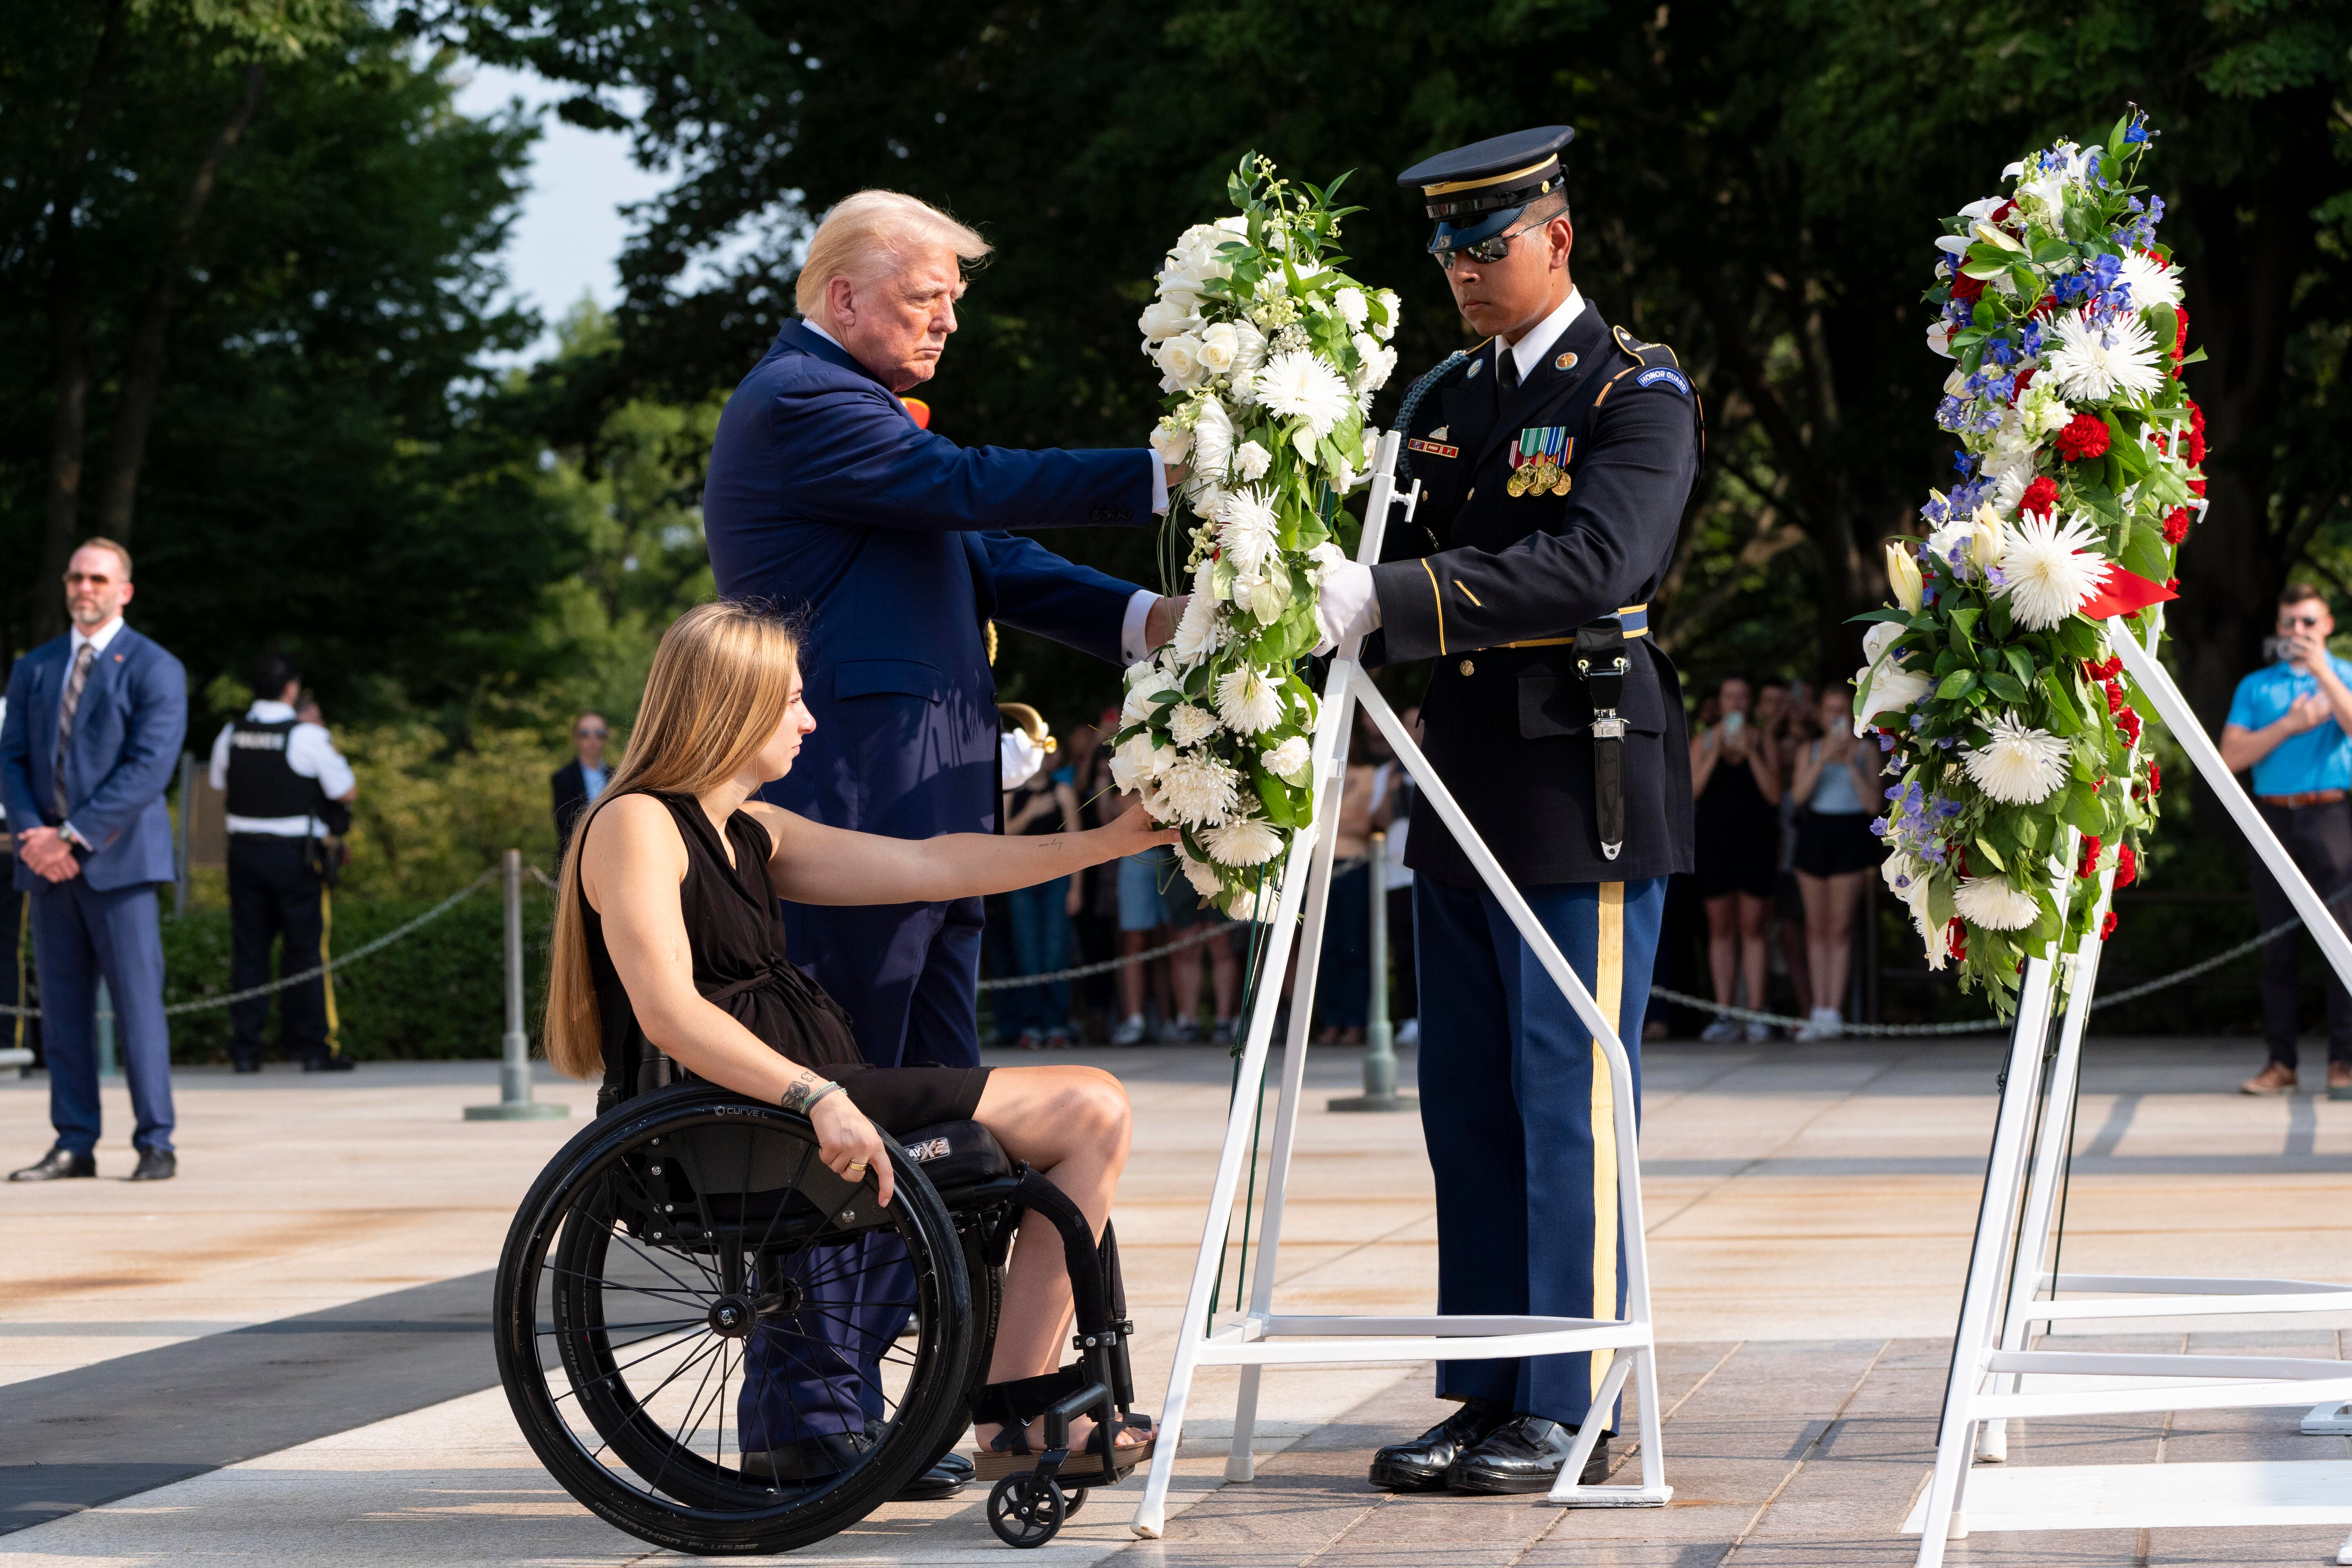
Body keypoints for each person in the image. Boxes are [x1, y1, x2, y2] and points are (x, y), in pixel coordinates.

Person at [546, 601, 1167, 1479]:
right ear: (734, 702)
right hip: (734, 1119)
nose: (808, 717)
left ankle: (1015, 1409)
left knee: (1089, 1112)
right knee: (1090, 1107)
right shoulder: (637, 822)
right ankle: (1014, 1416)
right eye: (792, 699)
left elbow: (935, 865)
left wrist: (1106, 843)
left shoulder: (752, 828)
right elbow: (668, 1011)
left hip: (798, 1096)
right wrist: (815, 1094)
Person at [1315, 126, 1700, 1494]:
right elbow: (1375, 554)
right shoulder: (1444, 397)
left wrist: (1401, 603)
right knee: (1466, 1104)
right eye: (1446, 252)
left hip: (1575, 780)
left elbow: (1602, 558)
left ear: (1558, 238)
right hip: (1460, 780)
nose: (1464, 274)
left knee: (1565, 1095)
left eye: (1487, 247)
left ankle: (1573, 1399)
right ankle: (1489, 1394)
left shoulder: (1632, 391)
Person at [703, 188, 1184, 1073]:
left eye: (954, 299)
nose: (950, 321)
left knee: (935, 1080)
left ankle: (925, 1218)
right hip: (860, 787)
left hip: (918, 787)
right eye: (929, 296)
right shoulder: (802, 399)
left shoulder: (851, 406)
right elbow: (970, 486)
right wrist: (1167, 472)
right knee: (866, 1068)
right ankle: (868, 1222)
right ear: (844, 298)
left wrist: (1148, 619)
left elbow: (985, 557)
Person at [0, 539, 187, 1182]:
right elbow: (12, 758)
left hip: (120, 866)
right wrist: (33, 834)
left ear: (124, 590)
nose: (86, 587)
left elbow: (148, 769)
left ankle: (155, 1141)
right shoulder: (36, 666)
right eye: (78, 577)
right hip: (45, 868)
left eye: (99, 578)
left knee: (138, 1010)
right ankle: (73, 1141)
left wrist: (71, 837)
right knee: (61, 1011)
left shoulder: (155, 667)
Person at [2220, 583, 2352, 1096]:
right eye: (2288, 623)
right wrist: (2291, 724)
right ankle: (2281, 1063)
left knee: (2341, 943)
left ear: (2326, 627)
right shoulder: (2256, 686)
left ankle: (2343, 1062)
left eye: (2307, 622)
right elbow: (2229, 756)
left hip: (2330, 817)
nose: (2297, 632)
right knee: (2276, 946)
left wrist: (2322, 672)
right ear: (2277, 628)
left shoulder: (2342, 675)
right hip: (2270, 819)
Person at [209, 653, 359, 1074]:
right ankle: (314, 1048)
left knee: (249, 951)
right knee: (306, 951)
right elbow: (346, 790)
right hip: (294, 857)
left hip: (244, 854)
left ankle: (245, 1049)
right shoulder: (306, 736)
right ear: (291, 689)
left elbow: (222, 785)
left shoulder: (231, 733)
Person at [1690, 677, 1782, 1043]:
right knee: (1721, 929)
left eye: (1743, 696)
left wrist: (1752, 753)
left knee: (1753, 928)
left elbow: (1774, 794)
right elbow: (1692, 791)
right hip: (1714, 843)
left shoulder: (1764, 740)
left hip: (1755, 842)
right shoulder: (1704, 740)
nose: (1736, 702)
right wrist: (1715, 752)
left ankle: (1756, 1011)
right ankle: (1725, 1011)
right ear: (1721, 701)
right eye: (1730, 696)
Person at [1788, 686, 1878, 1039]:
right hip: (1815, 832)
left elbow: (1874, 805)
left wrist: (1850, 765)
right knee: (1815, 926)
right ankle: (1818, 1008)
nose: (1836, 716)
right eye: (1830, 710)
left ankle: (1833, 1009)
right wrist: (1823, 758)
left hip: (1851, 833)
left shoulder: (1867, 751)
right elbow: (1798, 796)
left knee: (1839, 927)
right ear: (1821, 715)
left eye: (1843, 710)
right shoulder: (1808, 750)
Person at [998, 758, 1081, 1047]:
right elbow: (1000, 837)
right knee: (1027, 956)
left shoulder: (1062, 791)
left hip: (1058, 881)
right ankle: (1031, 1025)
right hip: (1020, 882)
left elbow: (1078, 845)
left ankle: (1057, 1025)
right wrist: (1031, 811)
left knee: (1055, 955)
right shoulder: (1011, 792)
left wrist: (1076, 889)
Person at [551, 712, 611, 850]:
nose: (593, 739)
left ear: (605, 738)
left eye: (599, 733)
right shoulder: (563, 777)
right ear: (576, 738)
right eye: (585, 734)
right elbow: (565, 825)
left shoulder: (617, 776)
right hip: (577, 853)